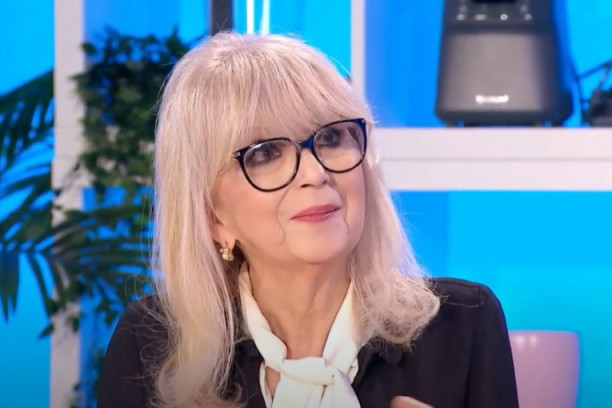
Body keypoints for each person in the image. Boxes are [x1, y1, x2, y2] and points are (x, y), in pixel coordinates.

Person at [98, 32, 518, 408]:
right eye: (265, 153)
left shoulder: (463, 324)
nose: (315, 173)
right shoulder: (151, 344)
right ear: (212, 216)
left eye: (331, 138)